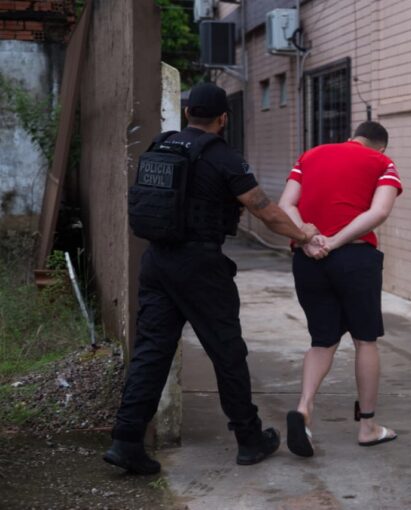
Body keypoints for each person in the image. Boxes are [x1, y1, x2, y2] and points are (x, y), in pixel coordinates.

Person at [104, 82, 319, 474]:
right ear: (223, 118)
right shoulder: (223, 157)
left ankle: (126, 440)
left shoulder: (161, 146)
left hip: (157, 261)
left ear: (188, 113)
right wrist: (303, 236)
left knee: (152, 351)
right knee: (227, 352)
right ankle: (249, 439)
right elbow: (265, 210)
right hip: (200, 267)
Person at [278, 121, 403, 457]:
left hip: (308, 260)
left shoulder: (310, 156)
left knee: (322, 340)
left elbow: (286, 205)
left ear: (352, 138)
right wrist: (334, 242)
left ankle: (304, 409)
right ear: (381, 146)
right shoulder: (382, 163)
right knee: (365, 340)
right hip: (355, 259)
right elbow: (379, 211)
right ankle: (368, 427)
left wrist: (307, 238)